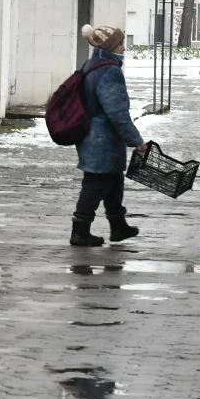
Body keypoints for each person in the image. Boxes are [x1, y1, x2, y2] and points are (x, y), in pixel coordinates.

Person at [71, 23, 148, 247]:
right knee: (95, 184)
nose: (124, 47)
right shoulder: (109, 71)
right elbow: (117, 113)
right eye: (121, 43)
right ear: (110, 46)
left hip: (94, 137)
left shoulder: (92, 65)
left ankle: (118, 226)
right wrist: (137, 141)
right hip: (101, 140)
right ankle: (80, 230)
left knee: (113, 181)